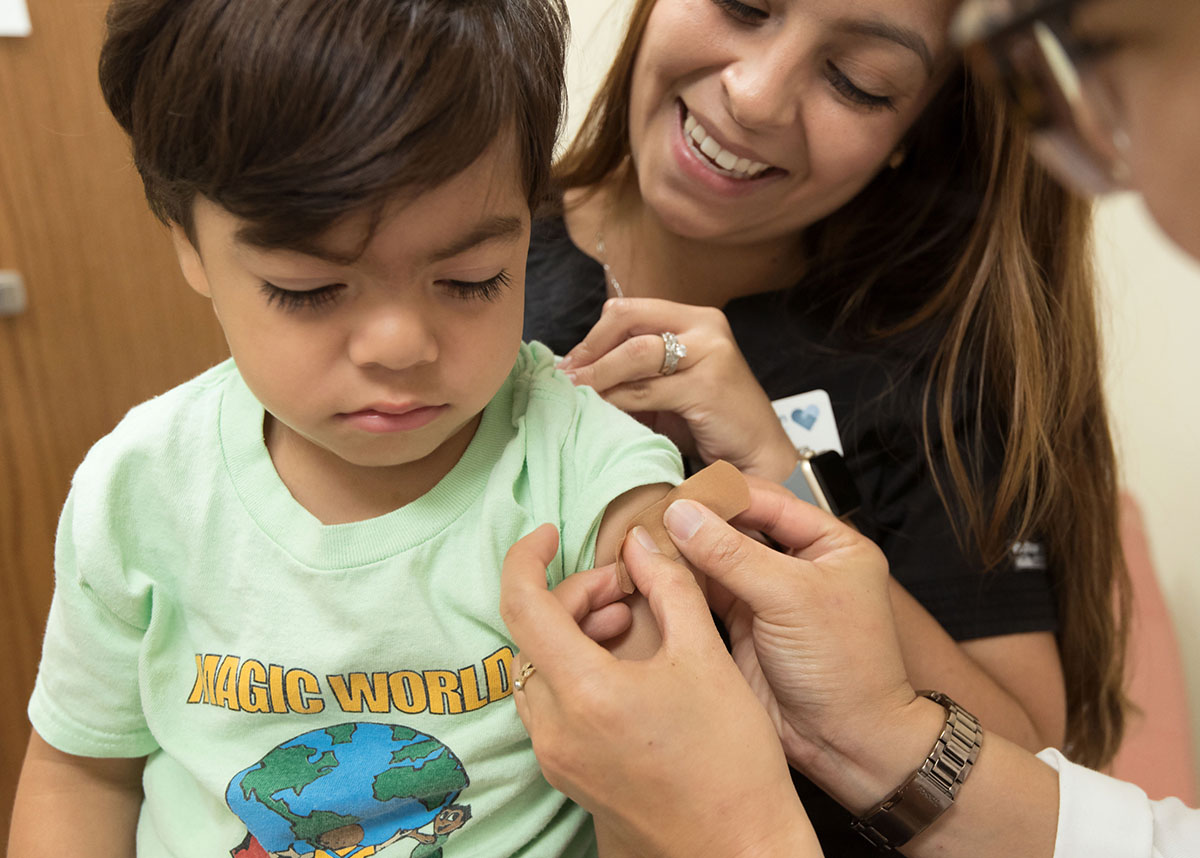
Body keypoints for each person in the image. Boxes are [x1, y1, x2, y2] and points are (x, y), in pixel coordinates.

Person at [501, 0, 1200, 855]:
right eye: (744, 5)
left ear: (920, 123)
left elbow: (1031, 766)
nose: (755, 96)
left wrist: (777, 469)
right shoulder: (466, 247)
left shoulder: (933, 374)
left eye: (857, 83)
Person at [6, 1, 685, 856]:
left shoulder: (585, 471)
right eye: (309, 290)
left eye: (473, 279)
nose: (401, 346)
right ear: (186, 242)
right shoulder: (140, 487)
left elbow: (671, 783)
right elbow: (82, 772)